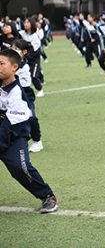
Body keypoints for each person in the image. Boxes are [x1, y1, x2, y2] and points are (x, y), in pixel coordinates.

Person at [0, 49, 57, 212]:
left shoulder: (17, 93)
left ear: (14, 67)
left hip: (14, 136)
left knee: (21, 168)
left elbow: (9, 128)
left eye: (1, 64)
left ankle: (47, 195)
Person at [11, 39, 43, 153]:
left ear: (24, 52)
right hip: (9, 94)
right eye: (12, 48)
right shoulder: (6, 63)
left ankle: (37, 140)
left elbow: (24, 84)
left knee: (31, 117)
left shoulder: (27, 66)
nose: (13, 51)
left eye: (16, 49)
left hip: (24, 94)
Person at [20, 18, 44, 98]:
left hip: (34, 60)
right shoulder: (22, 34)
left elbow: (35, 51)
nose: (25, 24)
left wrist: (27, 57)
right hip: (24, 59)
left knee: (34, 76)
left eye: (28, 22)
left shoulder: (35, 36)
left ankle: (40, 90)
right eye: (25, 22)